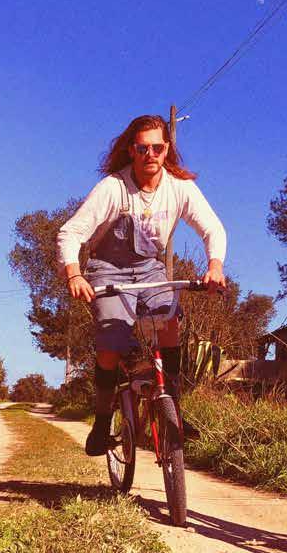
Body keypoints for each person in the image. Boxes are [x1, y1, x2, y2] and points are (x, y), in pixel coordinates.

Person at [58, 114, 227, 456]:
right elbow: (70, 232)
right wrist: (74, 274)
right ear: (131, 150)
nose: (150, 154)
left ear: (167, 150)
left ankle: (173, 411)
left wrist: (215, 266)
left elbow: (212, 228)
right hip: (107, 270)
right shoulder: (113, 188)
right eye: (142, 148)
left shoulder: (180, 188)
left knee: (169, 324)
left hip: (150, 269)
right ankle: (103, 421)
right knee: (110, 345)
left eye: (157, 148)